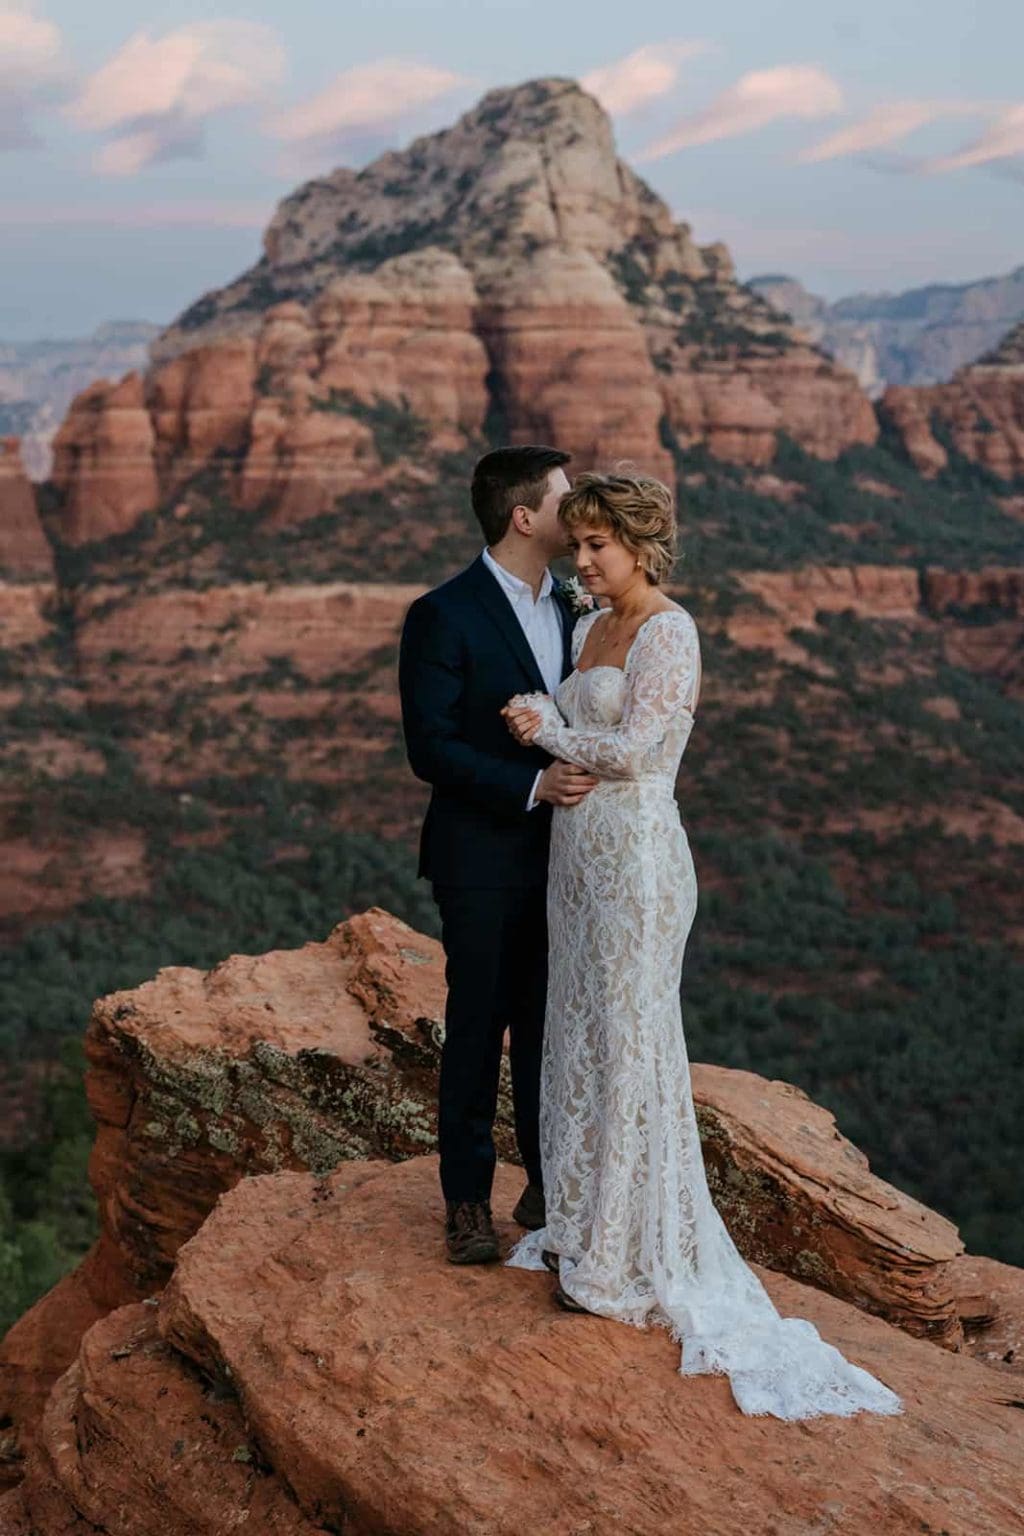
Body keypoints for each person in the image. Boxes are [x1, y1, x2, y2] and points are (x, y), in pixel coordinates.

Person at [502, 469, 903, 1422]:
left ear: (641, 545)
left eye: (599, 545)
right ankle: (586, 1224)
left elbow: (643, 751)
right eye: (580, 543)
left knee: (631, 1041)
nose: (583, 559)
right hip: (576, 863)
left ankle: (624, 1250)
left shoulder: (669, 630)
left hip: (636, 863)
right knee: (583, 1034)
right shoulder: (593, 624)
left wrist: (544, 730)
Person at [399, 445, 596, 1265]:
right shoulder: (443, 613)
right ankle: (468, 1204)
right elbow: (430, 748)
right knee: (479, 1026)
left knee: (553, 1026)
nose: (576, 509)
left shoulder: (582, 604)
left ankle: (549, 1188)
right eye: (563, 498)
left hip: (569, 860)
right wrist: (532, 788)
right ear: (524, 517)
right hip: (479, 857)